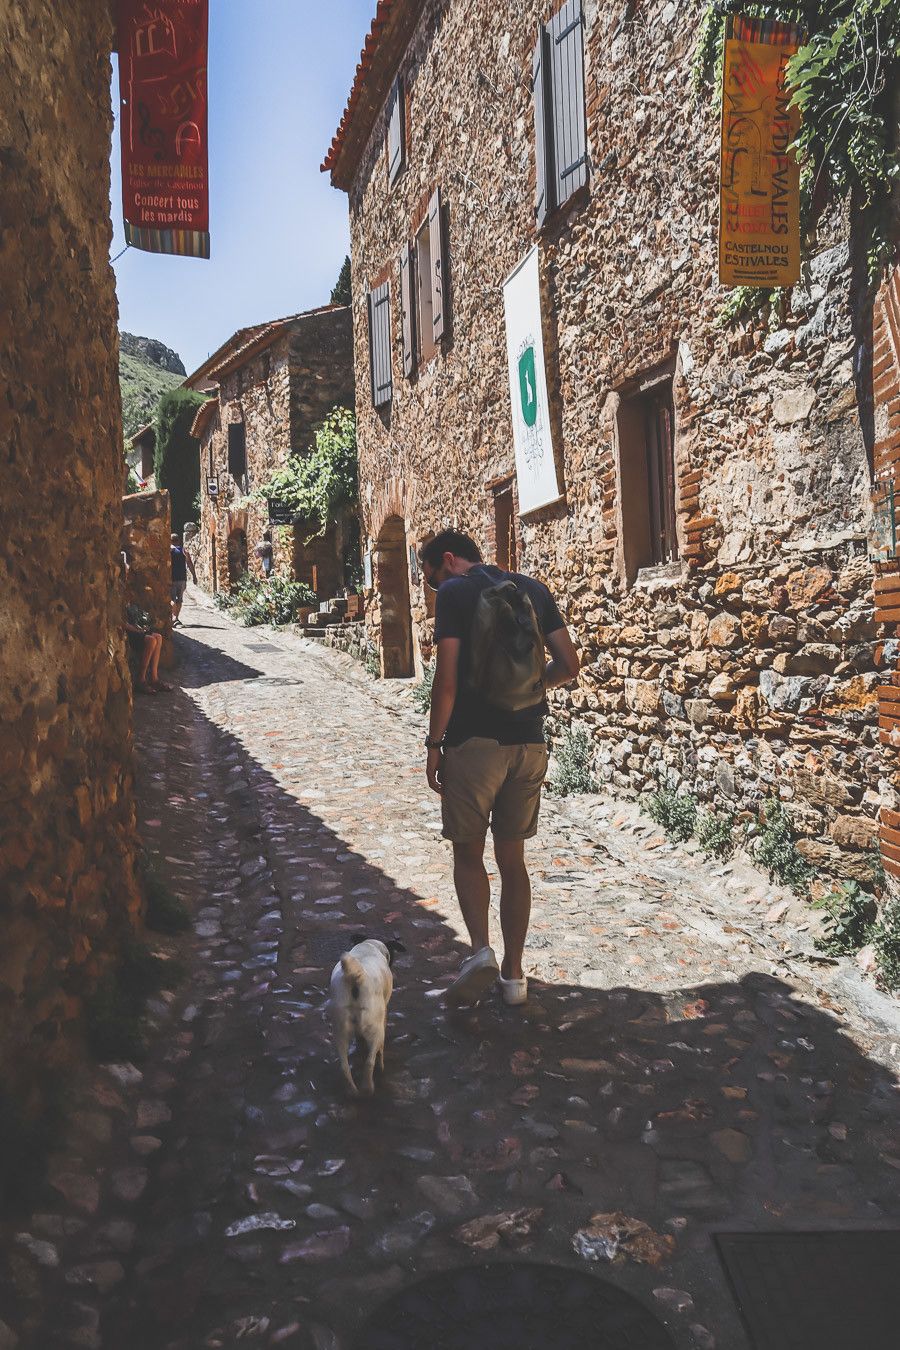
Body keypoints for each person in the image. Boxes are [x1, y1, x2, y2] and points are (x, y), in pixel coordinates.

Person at [420, 529, 580, 1007]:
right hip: (529, 744)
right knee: (514, 863)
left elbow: (446, 683)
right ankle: (514, 977)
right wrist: (532, 691)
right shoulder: (531, 588)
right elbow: (570, 664)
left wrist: (434, 745)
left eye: (430, 579)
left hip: (475, 745)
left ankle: (481, 952)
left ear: (447, 561)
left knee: (468, 855)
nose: (433, 590)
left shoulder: (453, 593)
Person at [125, 602, 171, 694]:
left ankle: (154, 678)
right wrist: (137, 629)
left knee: (158, 637)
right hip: (130, 632)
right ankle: (141, 679)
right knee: (151, 641)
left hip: (136, 629)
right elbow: (121, 622)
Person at [170, 533, 197, 625]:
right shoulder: (183, 551)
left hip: (171, 578)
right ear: (179, 541)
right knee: (179, 599)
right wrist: (194, 576)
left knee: (172, 598)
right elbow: (189, 563)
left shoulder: (168, 551)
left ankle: (173, 617)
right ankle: (176, 618)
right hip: (182, 578)